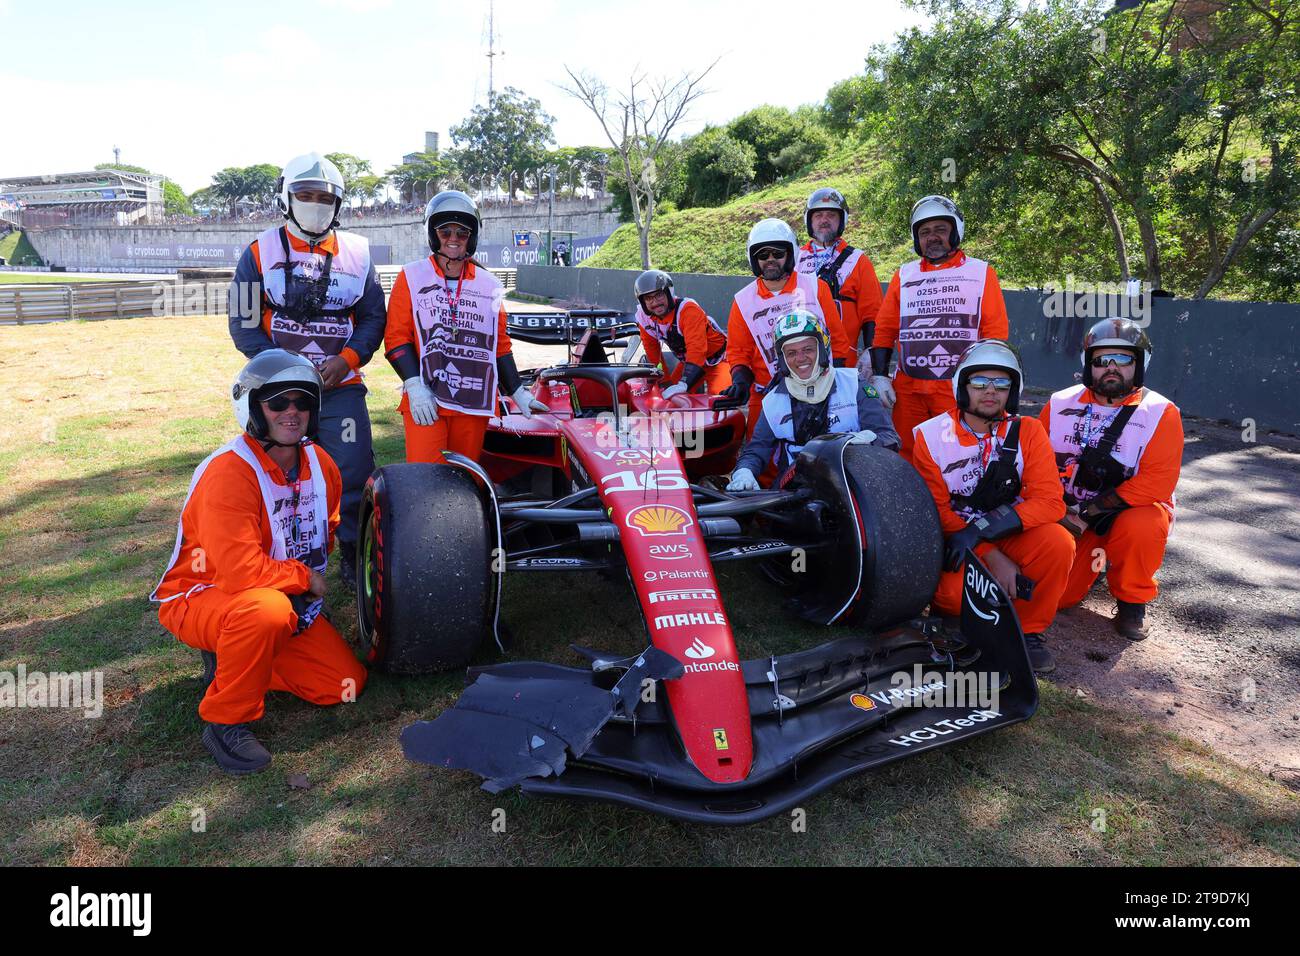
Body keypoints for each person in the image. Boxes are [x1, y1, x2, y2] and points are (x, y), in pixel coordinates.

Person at [150, 350, 368, 775]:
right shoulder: (229, 473)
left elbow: (329, 528)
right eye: (278, 402)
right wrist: (304, 577)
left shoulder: (322, 464)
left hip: (277, 597)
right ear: (253, 407)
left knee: (343, 685)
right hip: (204, 594)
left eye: (302, 402)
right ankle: (226, 720)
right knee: (264, 611)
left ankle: (237, 658)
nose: (292, 412)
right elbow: (241, 572)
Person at [227, 152, 385, 591]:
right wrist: (287, 370)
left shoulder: (358, 253)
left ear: (338, 203)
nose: (315, 203)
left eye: (324, 196)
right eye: (305, 194)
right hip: (279, 391)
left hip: (341, 388)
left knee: (352, 472)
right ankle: (274, 564)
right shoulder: (258, 252)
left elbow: (374, 318)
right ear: (286, 197)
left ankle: (354, 561)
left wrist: (348, 359)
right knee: (276, 475)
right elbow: (242, 323)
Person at [910, 341, 1075, 673]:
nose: (990, 391)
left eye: (1001, 384)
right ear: (962, 385)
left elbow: (1049, 501)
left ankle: (1028, 631)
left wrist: (981, 532)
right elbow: (935, 510)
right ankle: (960, 622)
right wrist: (988, 553)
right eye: (979, 382)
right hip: (958, 537)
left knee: (1058, 543)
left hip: (1004, 529)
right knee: (953, 596)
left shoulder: (1029, 431)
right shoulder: (930, 436)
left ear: (1012, 391)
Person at [1042, 318, 1183, 641]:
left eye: (1123, 360)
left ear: (1140, 364)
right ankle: (1096, 566)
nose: (1111, 368)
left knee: (1144, 523)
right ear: (1088, 363)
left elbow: (1156, 483)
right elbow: (1037, 464)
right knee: (1061, 600)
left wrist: (1086, 515)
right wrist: (1060, 511)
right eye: (1102, 360)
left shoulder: (1161, 412)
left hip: (1127, 511)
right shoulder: (1059, 402)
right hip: (1070, 511)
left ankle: (1133, 601)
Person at [384, 190, 547, 464]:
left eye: (462, 233)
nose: (453, 239)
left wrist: (518, 390)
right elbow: (396, 338)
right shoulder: (410, 276)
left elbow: (500, 344)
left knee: (465, 482)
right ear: (433, 234)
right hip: (427, 399)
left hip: (473, 403)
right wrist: (414, 385)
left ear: (472, 237)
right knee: (426, 479)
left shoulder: (489, 284)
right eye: (445, 232)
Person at [867, 195, 1009, 463]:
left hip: (957, 387)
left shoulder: (980, 272)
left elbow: (995, 333)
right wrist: (879, 375)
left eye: (940, 230)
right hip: (909, 388)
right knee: (907, 455)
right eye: (924, 232)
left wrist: (988, 383)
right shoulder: (904, 274)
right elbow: (885, 327)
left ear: (955, 232)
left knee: (960, 454)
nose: (932, 237)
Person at [727, 311, 898, 490]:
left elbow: (890, 438)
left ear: (822, 348)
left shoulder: (854, 384)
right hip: (794, 491)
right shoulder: (773, 401)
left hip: (853, 485)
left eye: (808, 349)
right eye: (791, 352)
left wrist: (866, 442)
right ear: (783, 358)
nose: (800, 358)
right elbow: (756, 451)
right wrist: (744, 472)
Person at [722, 218, 854, 439]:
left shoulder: (815, 287)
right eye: (763, 255)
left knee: (822, 452)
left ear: (791, 254)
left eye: (777, 253)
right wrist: (740, 381)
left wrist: (838, 384)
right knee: (761, 459)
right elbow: (738, 352)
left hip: (819, 388)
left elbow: (838, 341)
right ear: (753, 259)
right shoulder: (743, 301)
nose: (770, 260)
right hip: (769, 392)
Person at [795, 187, 885, 355]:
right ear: (809, 220)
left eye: (831, 215)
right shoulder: (794, 258)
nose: (824, 220)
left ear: (842, 220)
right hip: (799, 360)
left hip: (843, 361)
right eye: (818, 215)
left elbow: (873, 314)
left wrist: (871, 353)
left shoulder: (858, 260)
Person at [631, 269, 730, 396]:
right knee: (671, 399)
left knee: (720, 401)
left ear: (669, 293)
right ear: (642, 302)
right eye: (648, 298)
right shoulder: (644, 318)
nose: (655, 302)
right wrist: (664, 382)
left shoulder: (688, 310)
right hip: (688, 361)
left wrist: (684, 383)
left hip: (719, 359)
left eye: (659, 295)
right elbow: (653, 353)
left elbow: (697, 349)